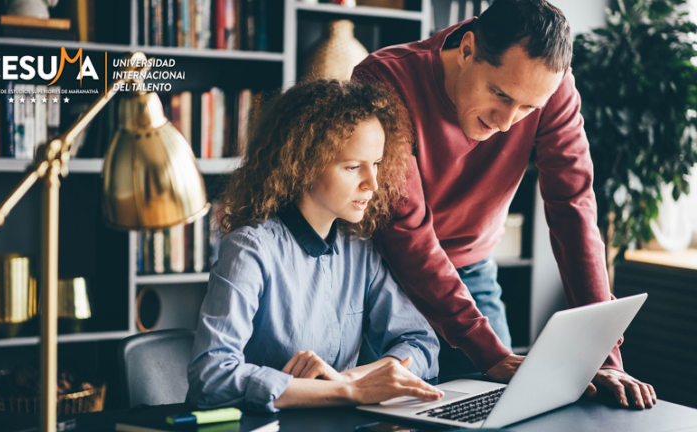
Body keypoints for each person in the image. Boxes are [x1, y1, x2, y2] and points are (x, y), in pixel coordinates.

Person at [352, 0, 656, 409]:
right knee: (386, 415)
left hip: (472, 269)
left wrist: (603, 355)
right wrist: (487, 351)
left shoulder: (552, 89)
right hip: (381, 274)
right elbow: (406, 230)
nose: (507, 122)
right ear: (467, 49)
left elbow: (573, 209)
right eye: (499, 93)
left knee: (498, 411)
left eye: (528, 108)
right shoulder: (385, 79)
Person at [186, 79, 442, 412]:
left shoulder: (359, 249)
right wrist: (349, 392)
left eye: (376, 164)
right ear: (302, 165)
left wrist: (351, 380)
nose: (373, 184)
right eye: (353, 167)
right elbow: (211, 377)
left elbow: (421, 344)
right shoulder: (250, 249)